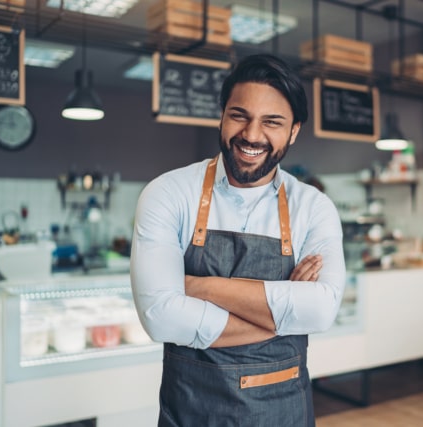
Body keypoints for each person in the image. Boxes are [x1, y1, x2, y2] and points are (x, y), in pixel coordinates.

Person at [130, 53, 346, 427]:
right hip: (192, 412)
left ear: (294, 130)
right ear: (222, 115)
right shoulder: (168, 192)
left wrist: (200, 287)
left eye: (272, 122)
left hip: (283, 412)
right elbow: (162, 319)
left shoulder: (313, 207)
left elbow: (321, 311)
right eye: (239, 115)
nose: (251, 134)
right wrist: (283, 315)